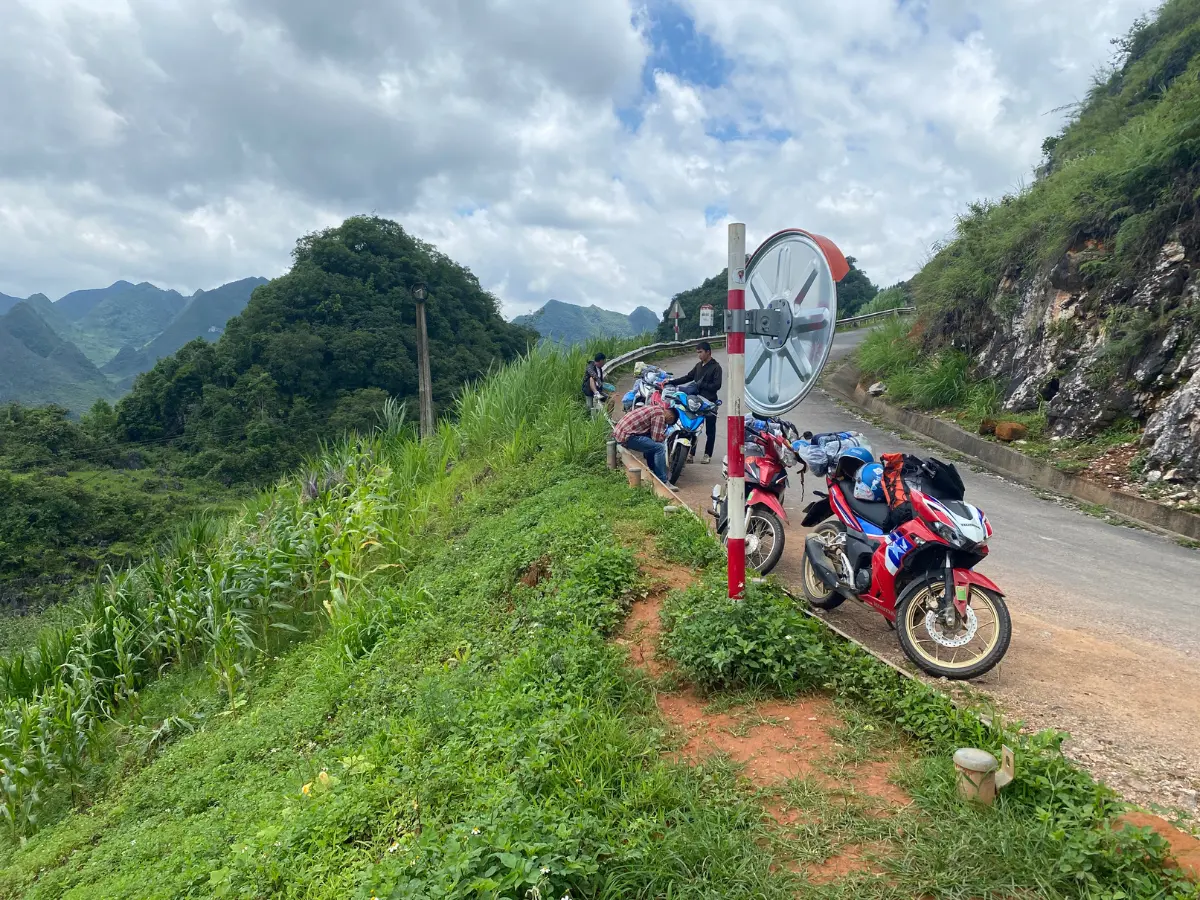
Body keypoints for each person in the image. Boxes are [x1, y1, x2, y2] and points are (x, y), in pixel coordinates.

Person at [667, 341, 722, 463]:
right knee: (693, 427)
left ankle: (707, 455)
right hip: (696, 402)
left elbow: (717, 386)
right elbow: (687, 377)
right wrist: (672, 382)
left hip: (709, 403)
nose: (699, 355)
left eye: (701, 352)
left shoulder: (716, 367)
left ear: (708, 352)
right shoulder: (698, 366)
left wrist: (702, 384)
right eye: (698, 353)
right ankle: (691, 453)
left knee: (710, 430)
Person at [613, 402, 679, 490]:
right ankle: (663, 481)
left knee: (652, 445)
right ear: (671, 418)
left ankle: (654, 472)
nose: (666, 424)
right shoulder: (660, 415)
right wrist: (665, 436)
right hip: (627, 437)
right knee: (659, 448)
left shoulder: (655, 408)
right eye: (668, 423)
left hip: (620, 434)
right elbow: (657, 438)